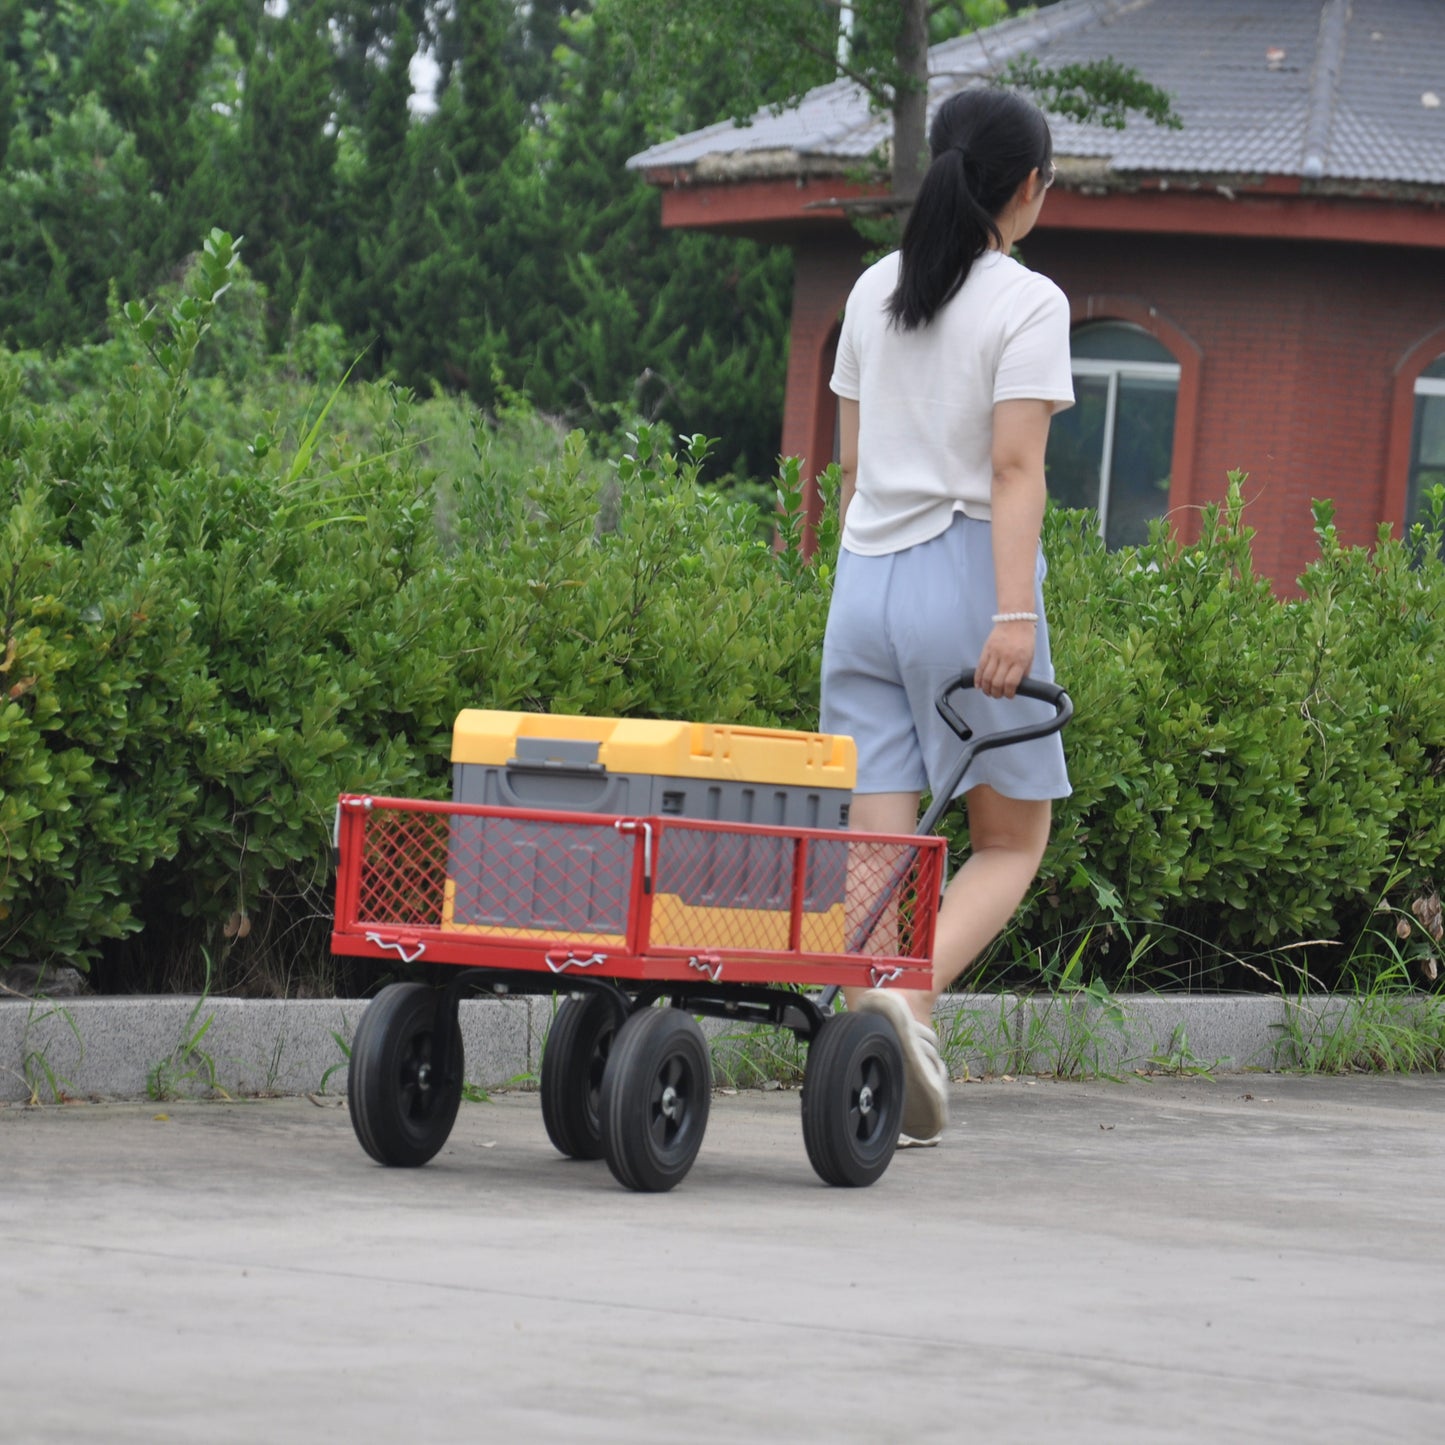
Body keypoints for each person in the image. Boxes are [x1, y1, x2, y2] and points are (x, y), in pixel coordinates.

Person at [822, 86, 1074, 1146]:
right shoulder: (1026, 302)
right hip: (963, 579)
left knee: (881, 856)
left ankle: (879, 1044)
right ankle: (901, 997)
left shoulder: (871, 287)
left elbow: (847, 465)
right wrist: (1008, 610)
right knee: (1012, 839)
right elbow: (1014, 467)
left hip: (861, 583)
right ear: (1022, 189)